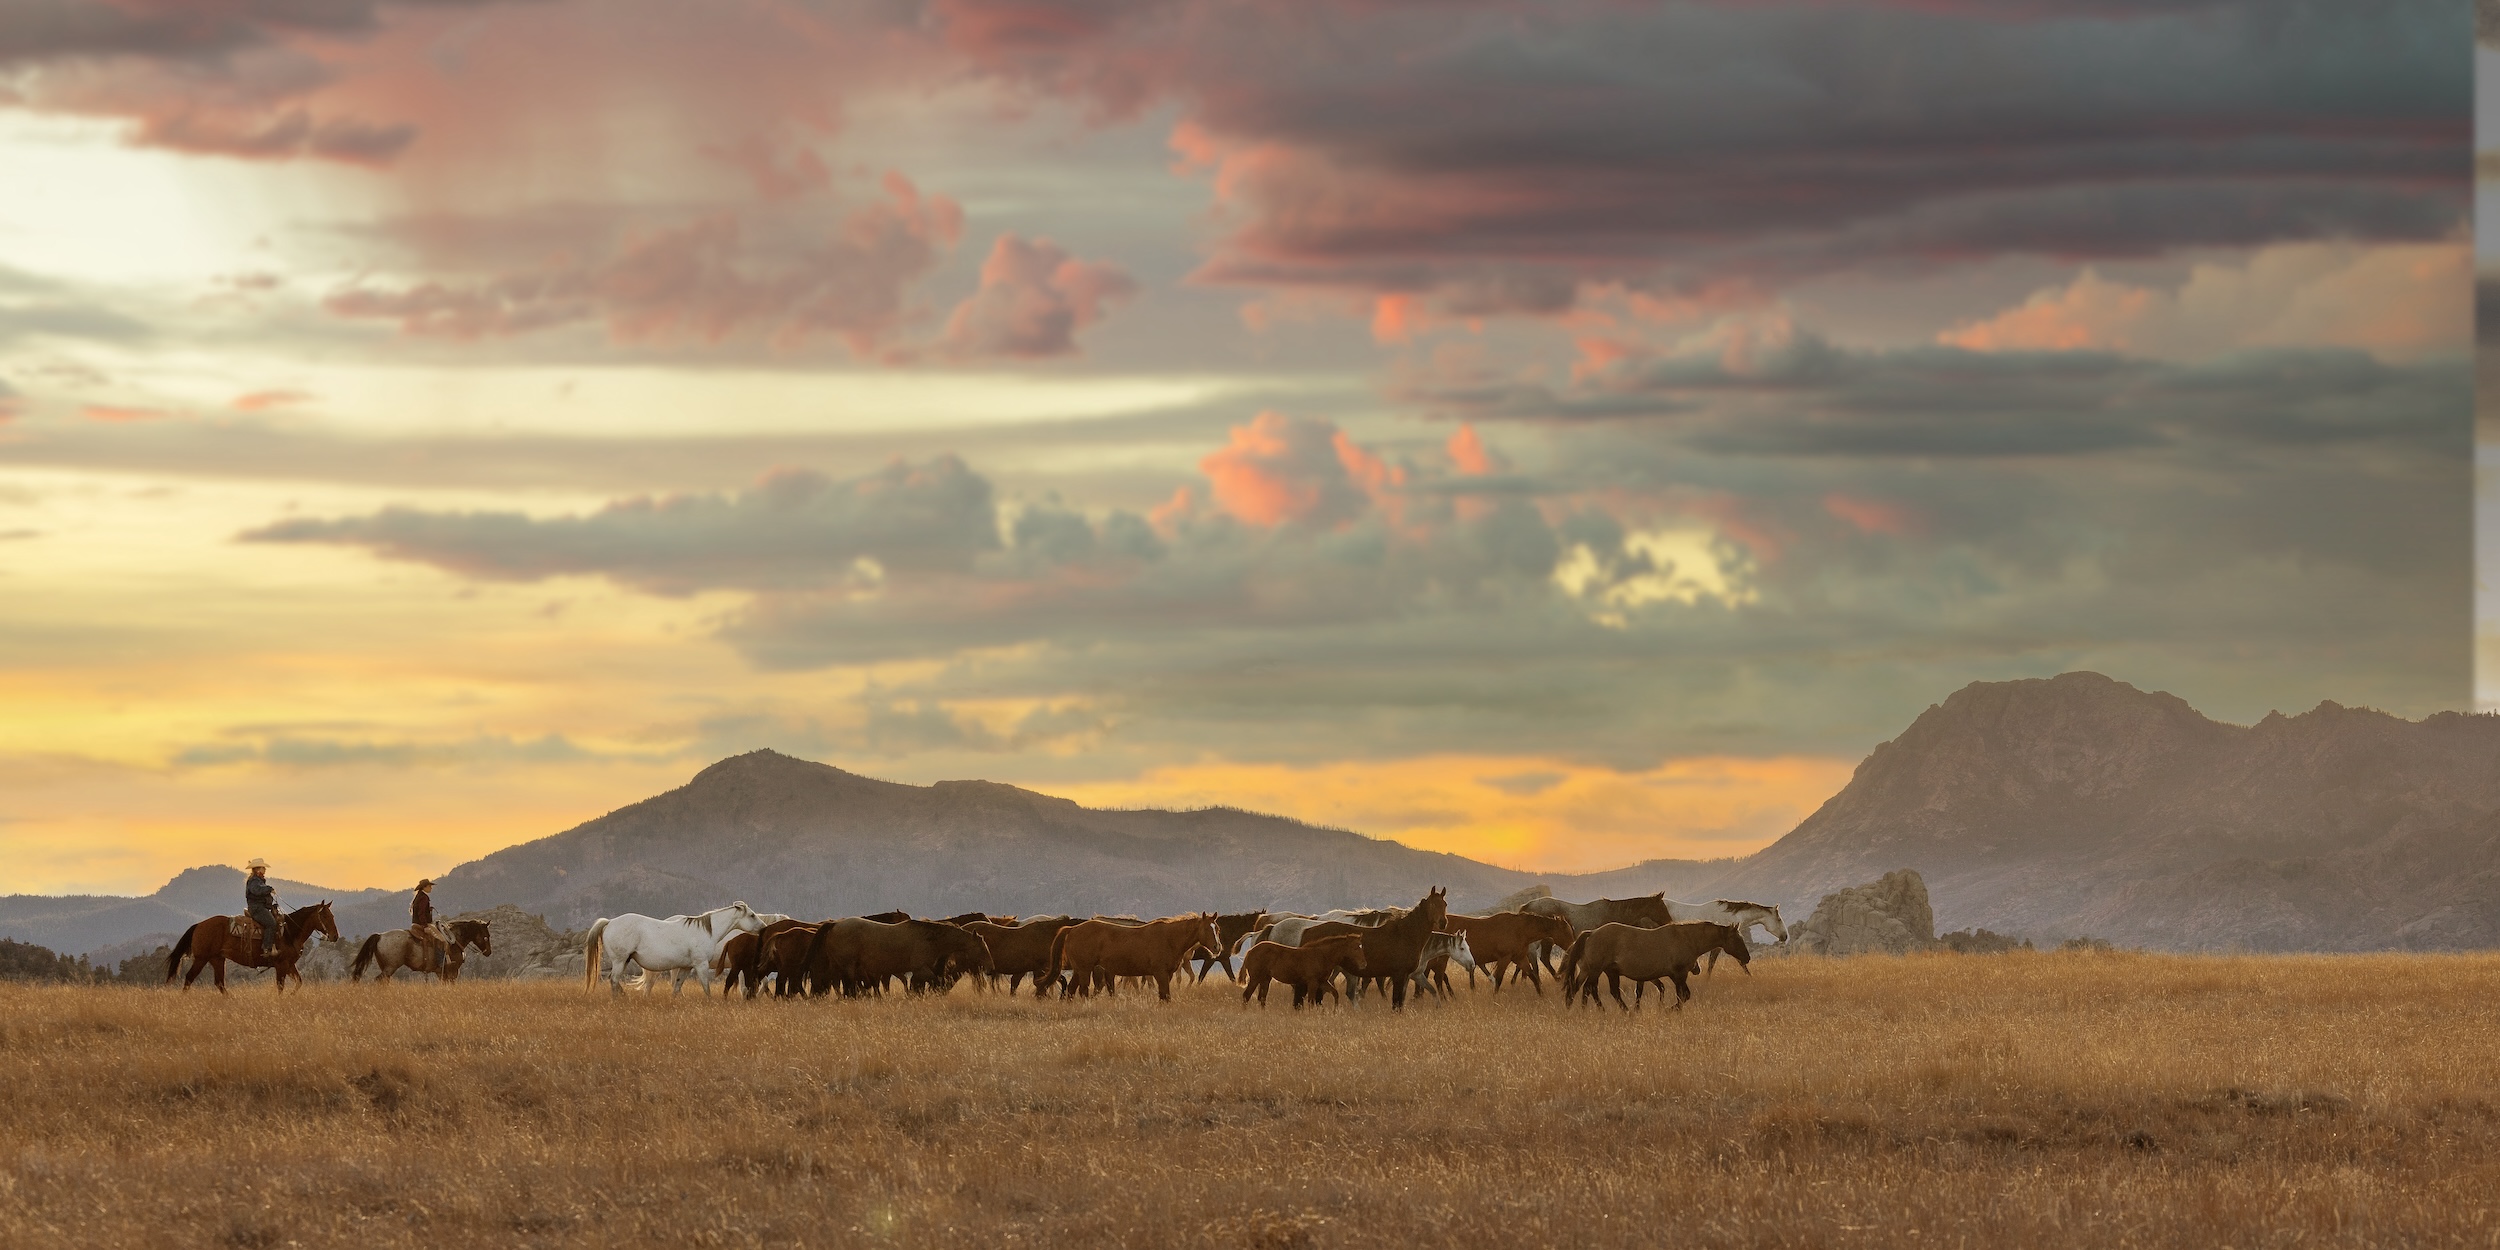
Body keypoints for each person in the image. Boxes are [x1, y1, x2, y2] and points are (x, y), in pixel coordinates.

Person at [410, 878, 448, 975]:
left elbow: (420, 911)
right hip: (422, 924)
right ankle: (440, 964)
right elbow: (421, 913)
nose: (431, 888)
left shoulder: (419, 896)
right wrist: (424, 926)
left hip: (415, 924)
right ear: (425, 887)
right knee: (441, 940)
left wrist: (428, 910)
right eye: (429, 886)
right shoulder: (424, 898)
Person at [244, 859, 280, 958]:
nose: (265, 870)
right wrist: (269, 889)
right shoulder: (254, 881)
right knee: (271, 923)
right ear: (258, 869)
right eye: (263, 868)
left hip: (259, 907)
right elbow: (257, 891)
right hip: (257, 908)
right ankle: (267, 947)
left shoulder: (257, 880)